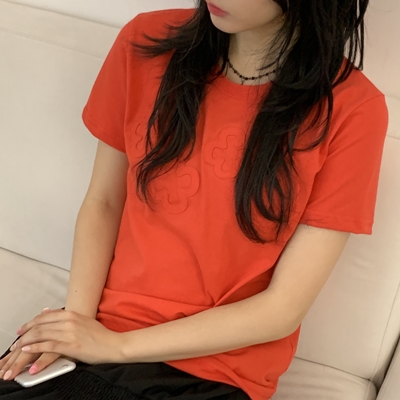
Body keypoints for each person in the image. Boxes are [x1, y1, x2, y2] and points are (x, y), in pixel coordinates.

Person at [0, 0, 388, 399]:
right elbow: (104, 203)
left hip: (213, 373)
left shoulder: (353, 109)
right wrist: (74, 328)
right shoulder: (145, 41)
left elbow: (282, 309)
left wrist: (116, 347)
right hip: (99, 334)